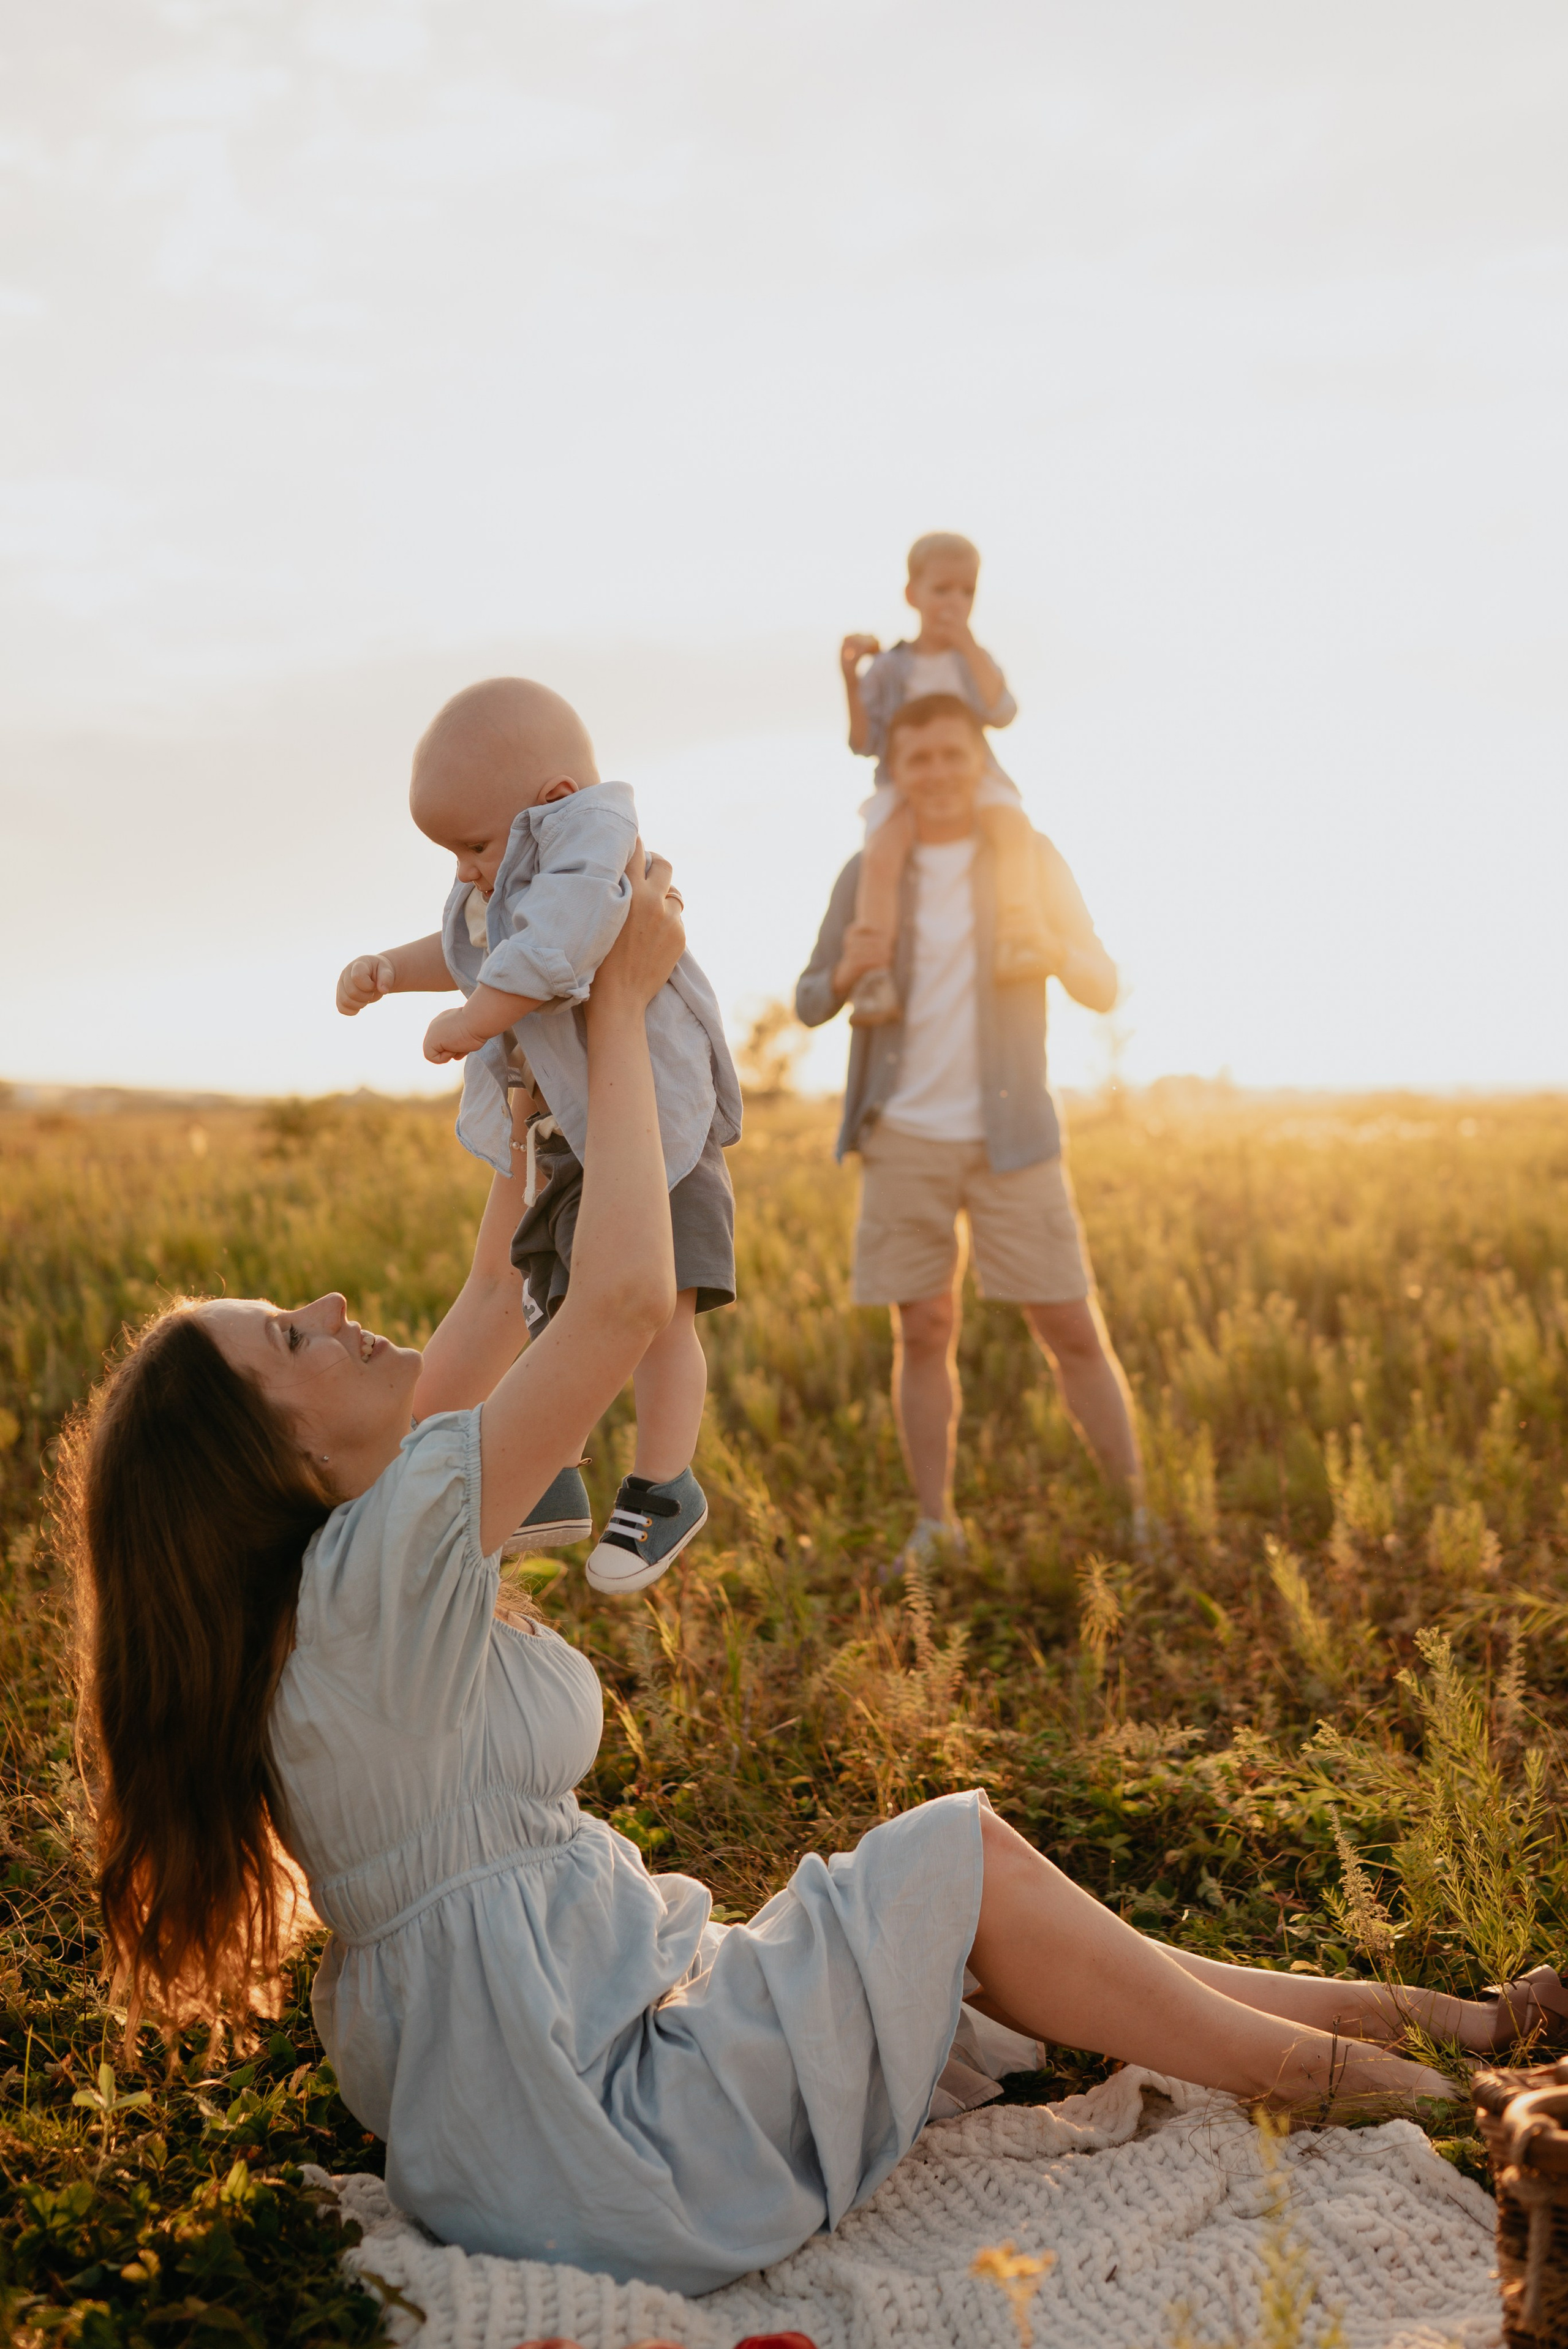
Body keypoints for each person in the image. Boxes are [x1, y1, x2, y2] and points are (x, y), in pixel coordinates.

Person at [61, 848, 1558, 2300]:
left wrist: (533, 1128)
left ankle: (1443, 2023)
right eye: (288, 1340)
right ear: (261, 1464)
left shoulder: (325, 1603)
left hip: (541, 2144)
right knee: (953, 1856)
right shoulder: (382, 1568)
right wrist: (623, 1011)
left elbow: (491, 1310)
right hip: (624, 2144)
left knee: (954, 1915)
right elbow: (623, 1298)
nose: (327, 1307)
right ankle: (1375, 2085)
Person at [334, 678, 741, 1594]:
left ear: (550, 800)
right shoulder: (513, 868)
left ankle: (666, 1481)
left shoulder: (592, 844)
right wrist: (391, 970)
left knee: (660, 1310)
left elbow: (555, 944)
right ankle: (550, 1469)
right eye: (451, 853)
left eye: (473, 845)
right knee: (555, 1303)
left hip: (662, 1135)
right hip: (576, 1133)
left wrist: (480, 1017)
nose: (467, 869)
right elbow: (474, 946)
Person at [797, 693, 1142, 1567]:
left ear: (981, 761)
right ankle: (936, 1524)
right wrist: (848, 967)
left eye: (954, 755)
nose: (939, 774)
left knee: (1070, 1326)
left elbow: (1103, 982)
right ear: (897, 772)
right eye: (919, 760)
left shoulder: (1032, 861)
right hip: (902, 1134)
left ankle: (1136, 1513)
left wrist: (1057, 951)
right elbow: (808, 998)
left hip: (1014, 1135)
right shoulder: (863, 873)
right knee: (922, 1331)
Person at [840, 531, 1050, 1028]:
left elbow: (1002, 711)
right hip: (904, 781)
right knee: (882, 855)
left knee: (1013, 827)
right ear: (913, 595)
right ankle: (874, 971)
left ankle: (1019, 932)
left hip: (974, 776)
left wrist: (967, 644)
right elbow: (864, 741)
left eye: (967, 592)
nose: (954, 603)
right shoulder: (892, 667)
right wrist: (850, 678)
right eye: (942, 590)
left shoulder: (971, 658)